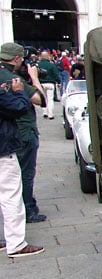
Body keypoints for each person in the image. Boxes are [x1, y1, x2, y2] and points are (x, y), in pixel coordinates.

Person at [0, 42, 46, 223]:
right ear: (17, 58)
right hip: (22, 133)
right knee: (24, 174)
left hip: (10, 134)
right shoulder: (10, 77)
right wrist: (34, 78)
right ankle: (28, 210)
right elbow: (40, 100)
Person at [0, 76, 45, 257]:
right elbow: (20, 107)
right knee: (11, 196)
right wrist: (18, 92)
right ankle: (16, 244)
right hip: (3, 151)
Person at [37, 51, 59, 119]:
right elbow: (56, 74)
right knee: (50, 99)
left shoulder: (38, 65)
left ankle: (45, 112)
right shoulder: (51, 65)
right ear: (47, 57)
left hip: (41, 84)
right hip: (50, 83)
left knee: (43, 99)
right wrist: (58, 81)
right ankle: (50, 114)